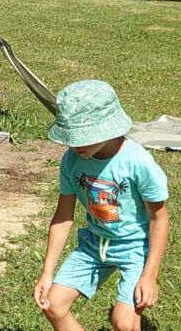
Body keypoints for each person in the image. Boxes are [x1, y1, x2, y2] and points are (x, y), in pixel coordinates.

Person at [33, 80, 170, 331]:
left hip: (136, 249)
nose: (76, 145)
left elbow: (159, 218)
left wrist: (149, 275)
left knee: (124, 323)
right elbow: (63, 216)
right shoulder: (72, 160)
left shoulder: (138, 163)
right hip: (94, 245)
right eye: (71, 138)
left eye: (83, 137)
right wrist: (47, 271)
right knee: (53, 305)